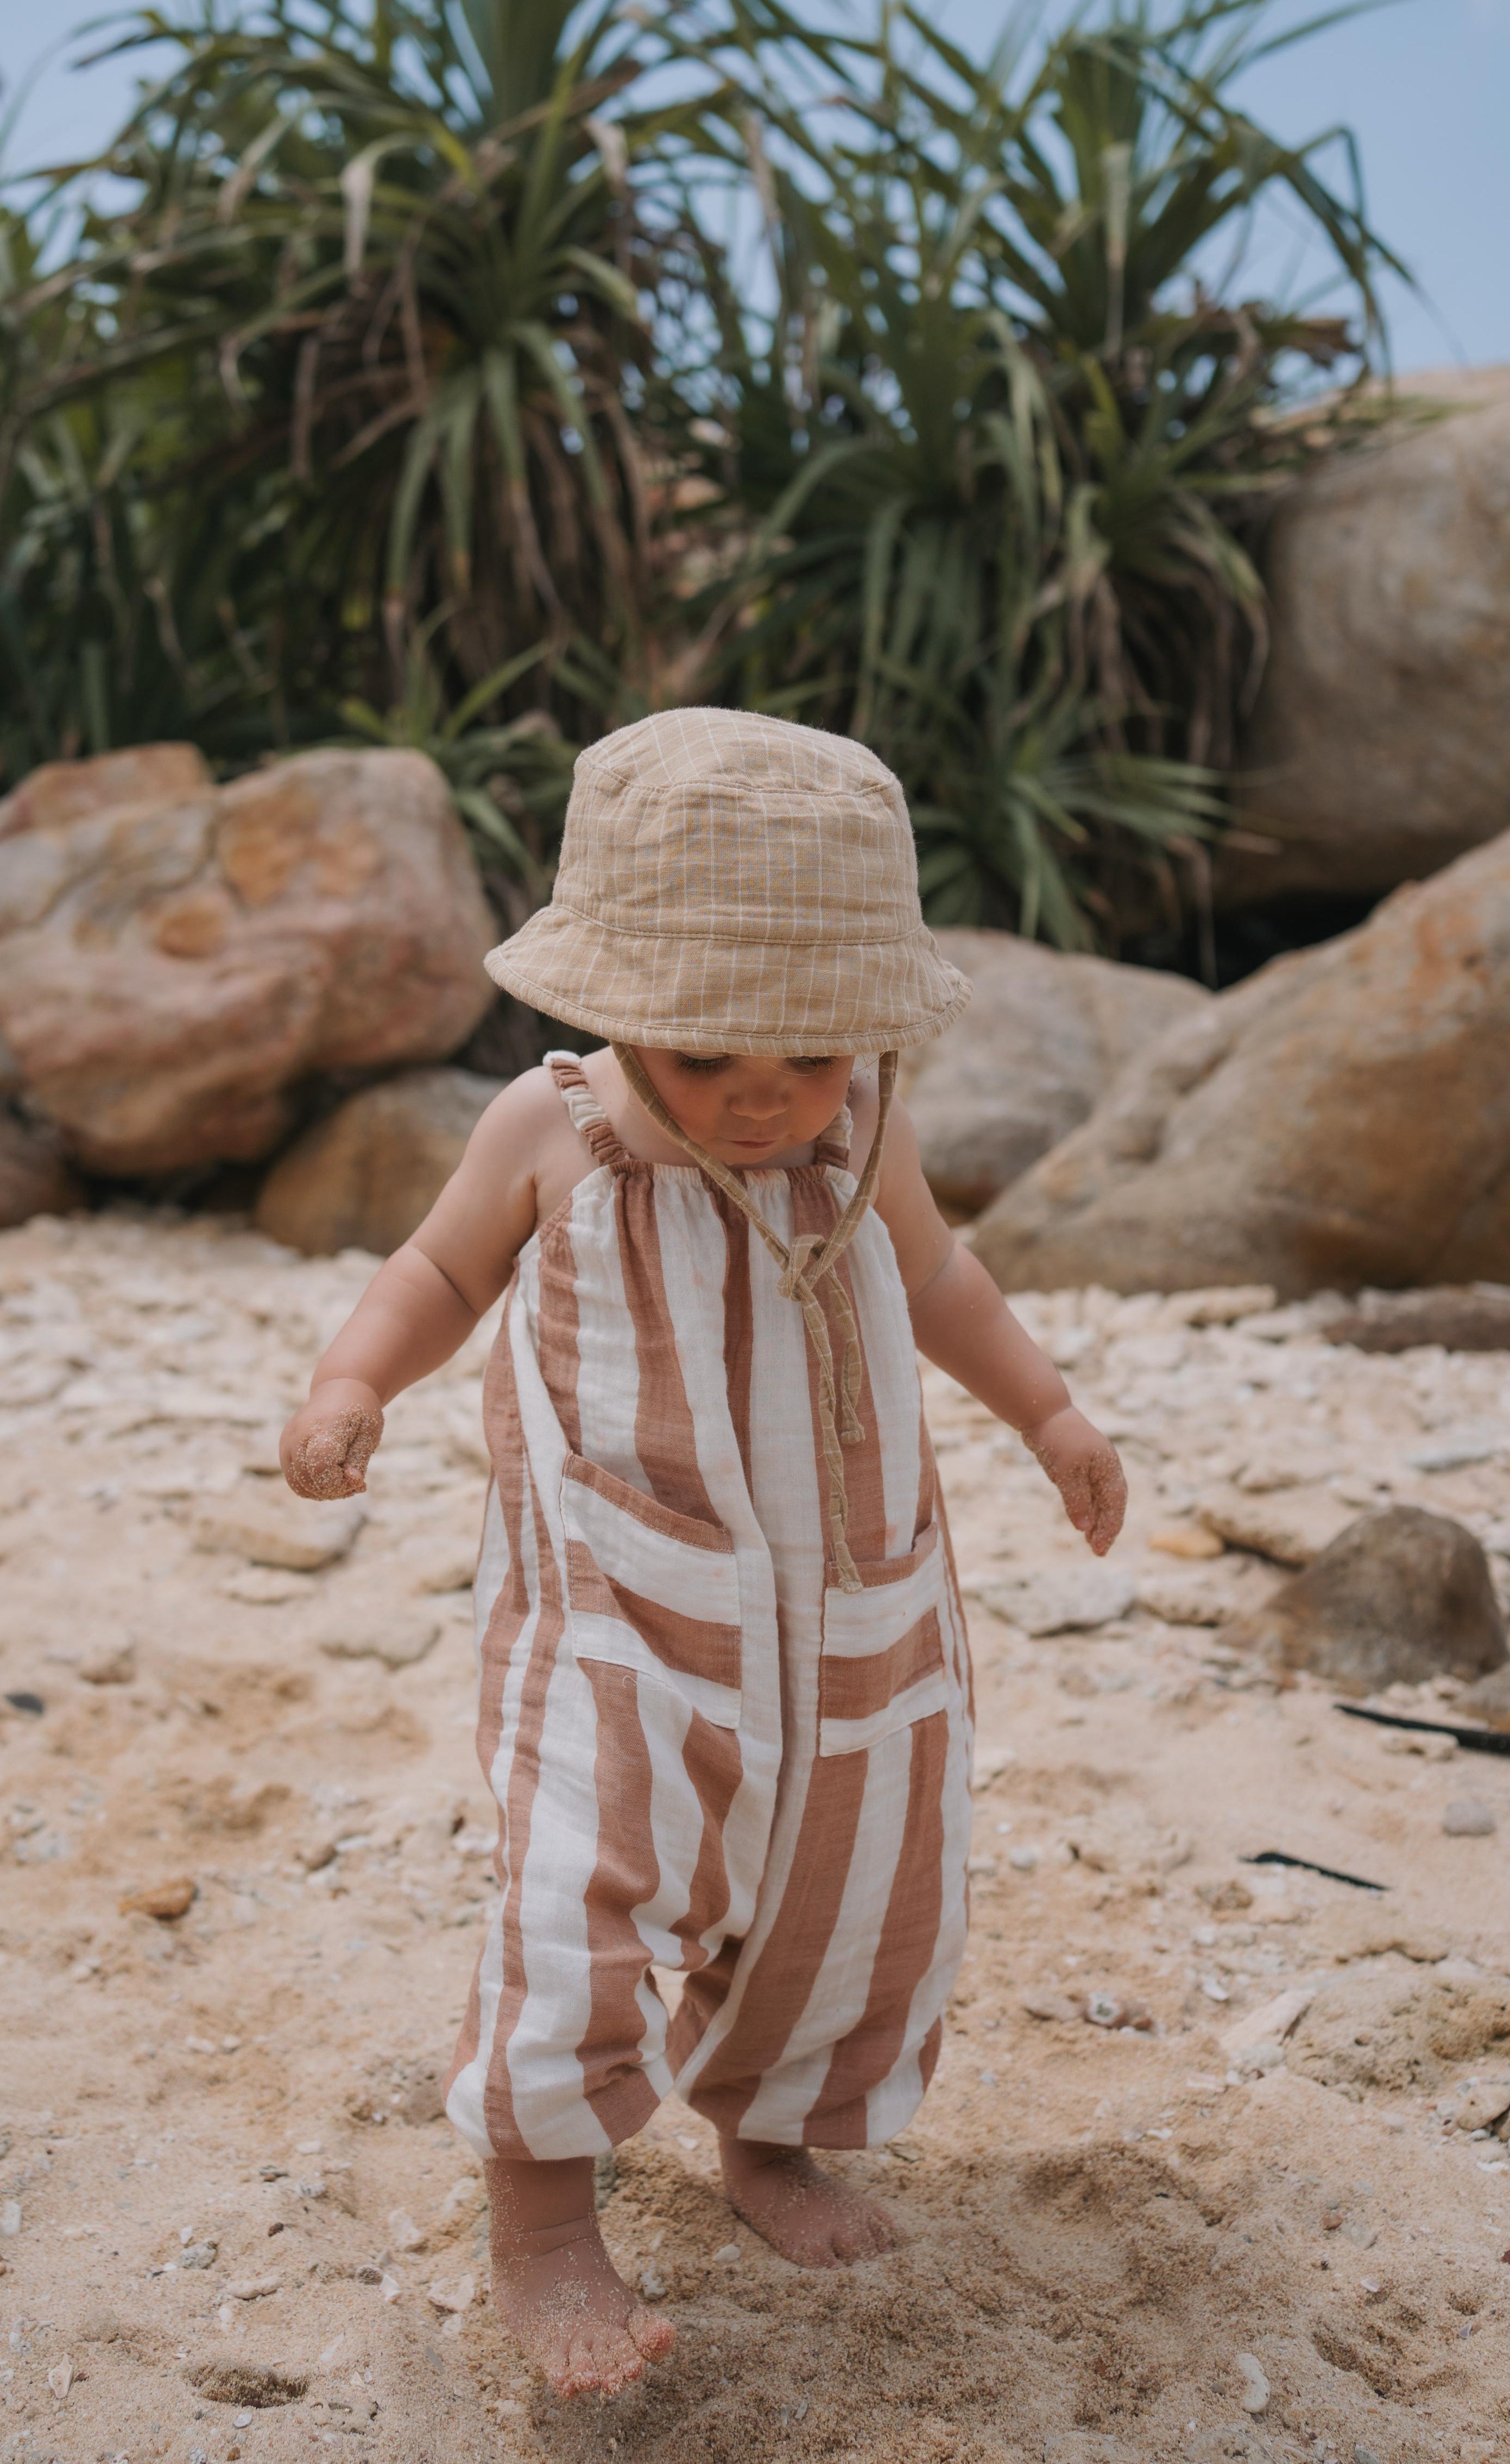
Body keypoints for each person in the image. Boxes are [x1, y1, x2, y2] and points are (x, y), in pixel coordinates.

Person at [280, 709, 1126, 2399]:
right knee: (572, 1895)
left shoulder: (857, 1125)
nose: (764, 1100)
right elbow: (438, 1275)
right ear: (615, 1006)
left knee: (855, 1891)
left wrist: (1048, 1414)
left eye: (806, 1059)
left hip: (851, 1603)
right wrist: (350, 1376)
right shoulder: (549, 1128)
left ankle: (770, 2141)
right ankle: (538, 2221)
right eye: (715, 1060)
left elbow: (942, 1281)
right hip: (618, 1607)